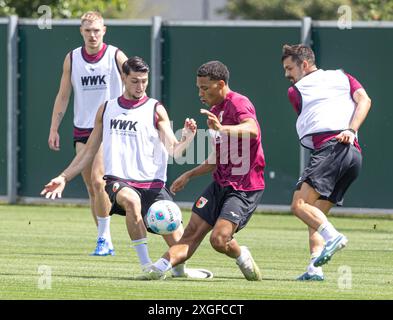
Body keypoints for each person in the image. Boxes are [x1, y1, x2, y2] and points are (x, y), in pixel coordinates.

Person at [41, 56, 213, 279]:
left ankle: (180, 271)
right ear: (123, 78)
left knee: (180, 243)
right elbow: (89, 151)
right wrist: (64, 177)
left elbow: (173, 150)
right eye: (134, 81)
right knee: (131, 201)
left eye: (144, 81)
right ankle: (146, 267)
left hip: (153, 184)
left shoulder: (155, 109)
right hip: (119, 181)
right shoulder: (107, 109)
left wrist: (187, 138)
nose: (140, 86)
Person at [140, 60, 266, 281]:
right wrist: (189, 174)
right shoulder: (215, 110)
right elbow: (219, 157)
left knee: (219, 240)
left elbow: (252, 129)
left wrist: (221, 128)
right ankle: (158, 268)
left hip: (244, 187)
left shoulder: (238, 103)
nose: (200, 92)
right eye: (198, 87)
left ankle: (241, 254)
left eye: (205, 88)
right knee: (190, 234)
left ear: (220, 84)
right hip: (220, 184)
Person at [281, 44, 372, 281]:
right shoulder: (344, 77)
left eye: (289, 68)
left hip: (330, 150)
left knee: (299, 205)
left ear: (304, 64)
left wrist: (345, 131)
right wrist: (351, 130)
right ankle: (315, 268)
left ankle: (335, 238)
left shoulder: (295, 91)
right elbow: (365, 101)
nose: (287, 74)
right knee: (317, 213)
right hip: (353, 155)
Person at [48, 11, 128, 256]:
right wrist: (54, 128)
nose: (92, 35)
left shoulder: (115, 55)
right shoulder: (72, 59)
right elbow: (63, 96)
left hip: (108, 127)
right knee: (91, 188)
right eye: (88, 30)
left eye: (96, 30)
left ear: (104, 30)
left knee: (98, 180)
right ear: (81, 32)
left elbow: (136, 83)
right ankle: (105, 239)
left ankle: (103, 239)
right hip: (82, 128)